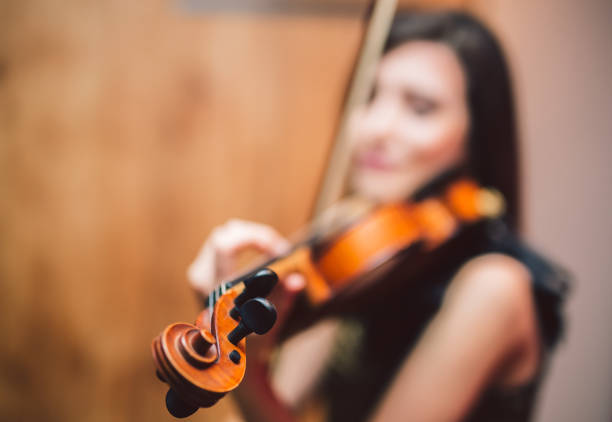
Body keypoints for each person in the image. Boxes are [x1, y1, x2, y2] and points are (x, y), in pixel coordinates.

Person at [187, 11, 568, 422]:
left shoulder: (495, 287)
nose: (375, 127)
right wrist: (245, 349)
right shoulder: (362, 252)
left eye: (420, 108)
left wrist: (240, 376)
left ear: (476, 137)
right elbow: (278, 406)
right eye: (367, 97)